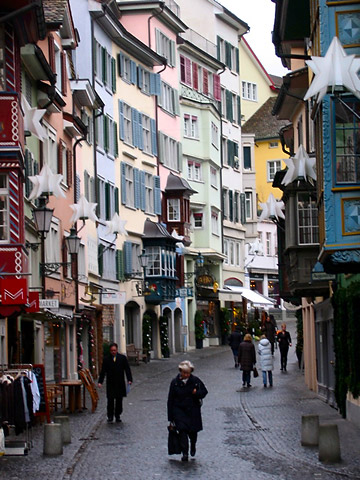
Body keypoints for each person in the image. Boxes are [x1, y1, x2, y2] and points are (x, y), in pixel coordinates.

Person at [167, 360, 208, 462]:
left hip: (192, 410)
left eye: (188, 373)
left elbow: (204, 392)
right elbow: (170, 399)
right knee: (182, 431)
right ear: (180, 371)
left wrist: (196, 393)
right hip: (179, 411)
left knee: (193, 433)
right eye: (184, 373)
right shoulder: (175, 382)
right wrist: (170, 417)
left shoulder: (195, 381)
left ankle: (193, 445)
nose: (186, 375)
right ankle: (185, 453)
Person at [98, 342, 132, 423]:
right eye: (112, 350)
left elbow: (127, 369)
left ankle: (117, 415)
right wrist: (100, 382)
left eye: (115, 350)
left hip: (120, 383)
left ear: (117, 350)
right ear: (110, 351)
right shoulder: (106, 359)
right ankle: (110, 416)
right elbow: (103, 371)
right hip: (110, 383)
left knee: (119, 401)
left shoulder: (122, 358)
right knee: (110, 400)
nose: (113, 352)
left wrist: (129, 379)